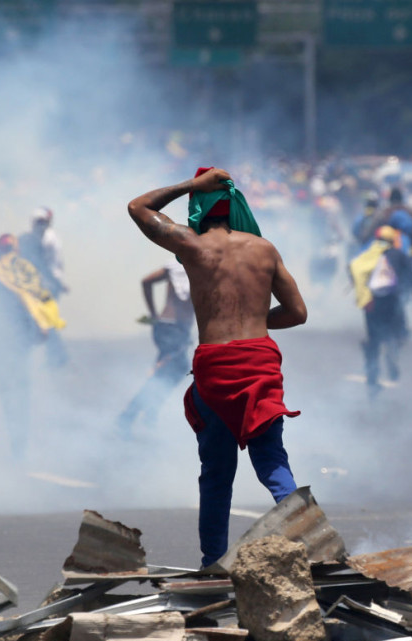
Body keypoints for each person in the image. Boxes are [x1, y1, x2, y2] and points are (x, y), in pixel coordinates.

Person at [127, 166, 307, 568]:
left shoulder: (191, 246)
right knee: (272, 460)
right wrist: (258, 319)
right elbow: (297, 313)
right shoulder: (265, 250)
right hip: (260, 360)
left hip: (217, 365)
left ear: (200, 207)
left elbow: (138, 207)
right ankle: (312, 539)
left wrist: (191, 184)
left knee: (216, 472)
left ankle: (212, 562)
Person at [0, 234, 66, 460]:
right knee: (19, 391)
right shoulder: (22, 270)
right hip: (16, 341)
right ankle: (18, 443)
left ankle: (13, 440)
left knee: (8, 390)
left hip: (1, 340)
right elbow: (38, 299)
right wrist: (42, 327)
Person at [117, 260, 196, 439]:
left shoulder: (182, 266)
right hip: (172, 327)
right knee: (163, 374)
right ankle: (129, 415)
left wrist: (154, 315)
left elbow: (146, 282)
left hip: (170, 327)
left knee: (173, 371)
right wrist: (153, 313)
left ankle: (147, 412)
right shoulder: (186, 265)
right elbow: (146, 281)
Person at [348, 225, 412, 399]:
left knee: (373, 341)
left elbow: (354, 270)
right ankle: (392, 355)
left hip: (372, 306)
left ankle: (372, 380)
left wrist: (363, 296)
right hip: (393, 303)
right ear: (393, 240)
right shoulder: (400, 255)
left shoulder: (368, 255)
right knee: (393, 335)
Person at [19, 207, 70, 367]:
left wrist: (58, 283)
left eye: (44, 222)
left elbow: (50, 265)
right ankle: (56, 356)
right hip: (41, 284)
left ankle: (56, 356)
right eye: (39, 222)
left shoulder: (50, 238)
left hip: (49, 284)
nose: (41, 225)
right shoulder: (29, 238)